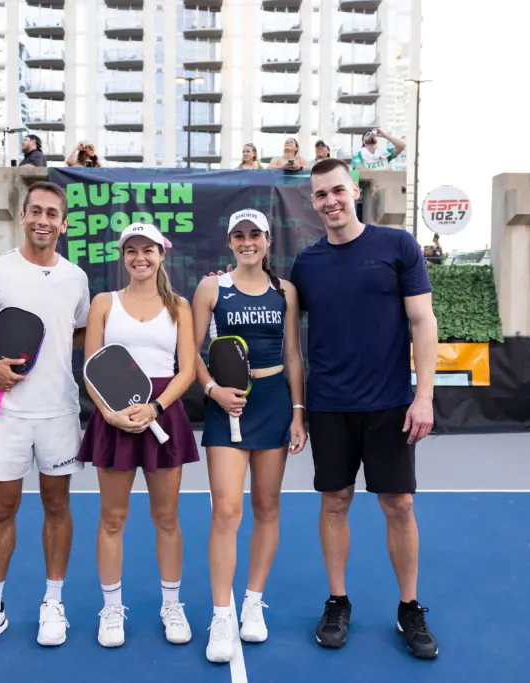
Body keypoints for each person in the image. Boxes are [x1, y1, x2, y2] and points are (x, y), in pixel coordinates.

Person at [289, 156, 439, 659]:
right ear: (314, 203)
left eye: (337, 190)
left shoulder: (398, 245)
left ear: (354, 190)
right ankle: (338, 601)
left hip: (390, 405)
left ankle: (409, 607)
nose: (330, 201)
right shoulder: (307, 264)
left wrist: (424, 396)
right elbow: (282, 325)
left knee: (400, 505)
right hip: (330, 406)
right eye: (320, 194)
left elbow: (423, 321)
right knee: (334, 502)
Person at [0, 180, 91, 655]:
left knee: (57, 505)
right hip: (6, 413)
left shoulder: (75, 278)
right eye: (36, 211)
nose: (43, 220)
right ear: (23, 216)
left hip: (59, 412)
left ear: (63, 224)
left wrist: (50, 347)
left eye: (52, 213)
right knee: (1, 509)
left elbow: (77, 331)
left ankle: (53, 602)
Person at [191, 208, 307, 663]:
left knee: (266, 506)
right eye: (238, 235)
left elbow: (293, 354)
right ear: (230, 242)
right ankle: (221, 615)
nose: (247, 242)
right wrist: (213, 391)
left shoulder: (286, 291)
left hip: (274, 403)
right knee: (226, 510)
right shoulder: (211, 288)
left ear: (267, 241)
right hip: (228, 407)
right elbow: (191, 353)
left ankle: (252, 603)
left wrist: (297, 412)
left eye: (254, 234)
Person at [77, 222, 200, 649]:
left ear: (162, 255)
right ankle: (111, 609)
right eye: (132, 250)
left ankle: (172, 606)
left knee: (167, 518)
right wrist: (109, 414)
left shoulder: (179, 306)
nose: (140, 257)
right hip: (114, 417)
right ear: (123, 256)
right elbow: (91, 368)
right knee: (112, 519)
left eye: (148, 249)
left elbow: (187, 369)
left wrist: (156, 408)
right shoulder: (103, 303)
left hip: (163, 412)